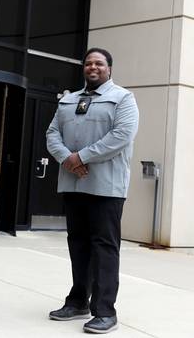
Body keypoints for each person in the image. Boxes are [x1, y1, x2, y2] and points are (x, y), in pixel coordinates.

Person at [46, 47, 139, 334]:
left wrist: (81, 157)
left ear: (109, 69)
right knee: (78, 244)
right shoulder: (68, 100)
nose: (93, 67)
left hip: (106, 189)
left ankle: (105, 311)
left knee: (104, 248)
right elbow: (52, 134)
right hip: (74, 184)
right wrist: (67, 159)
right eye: (88, 63)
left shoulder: (123, 99)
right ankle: (77, 302)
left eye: (99, 63)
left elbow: (122, 136)